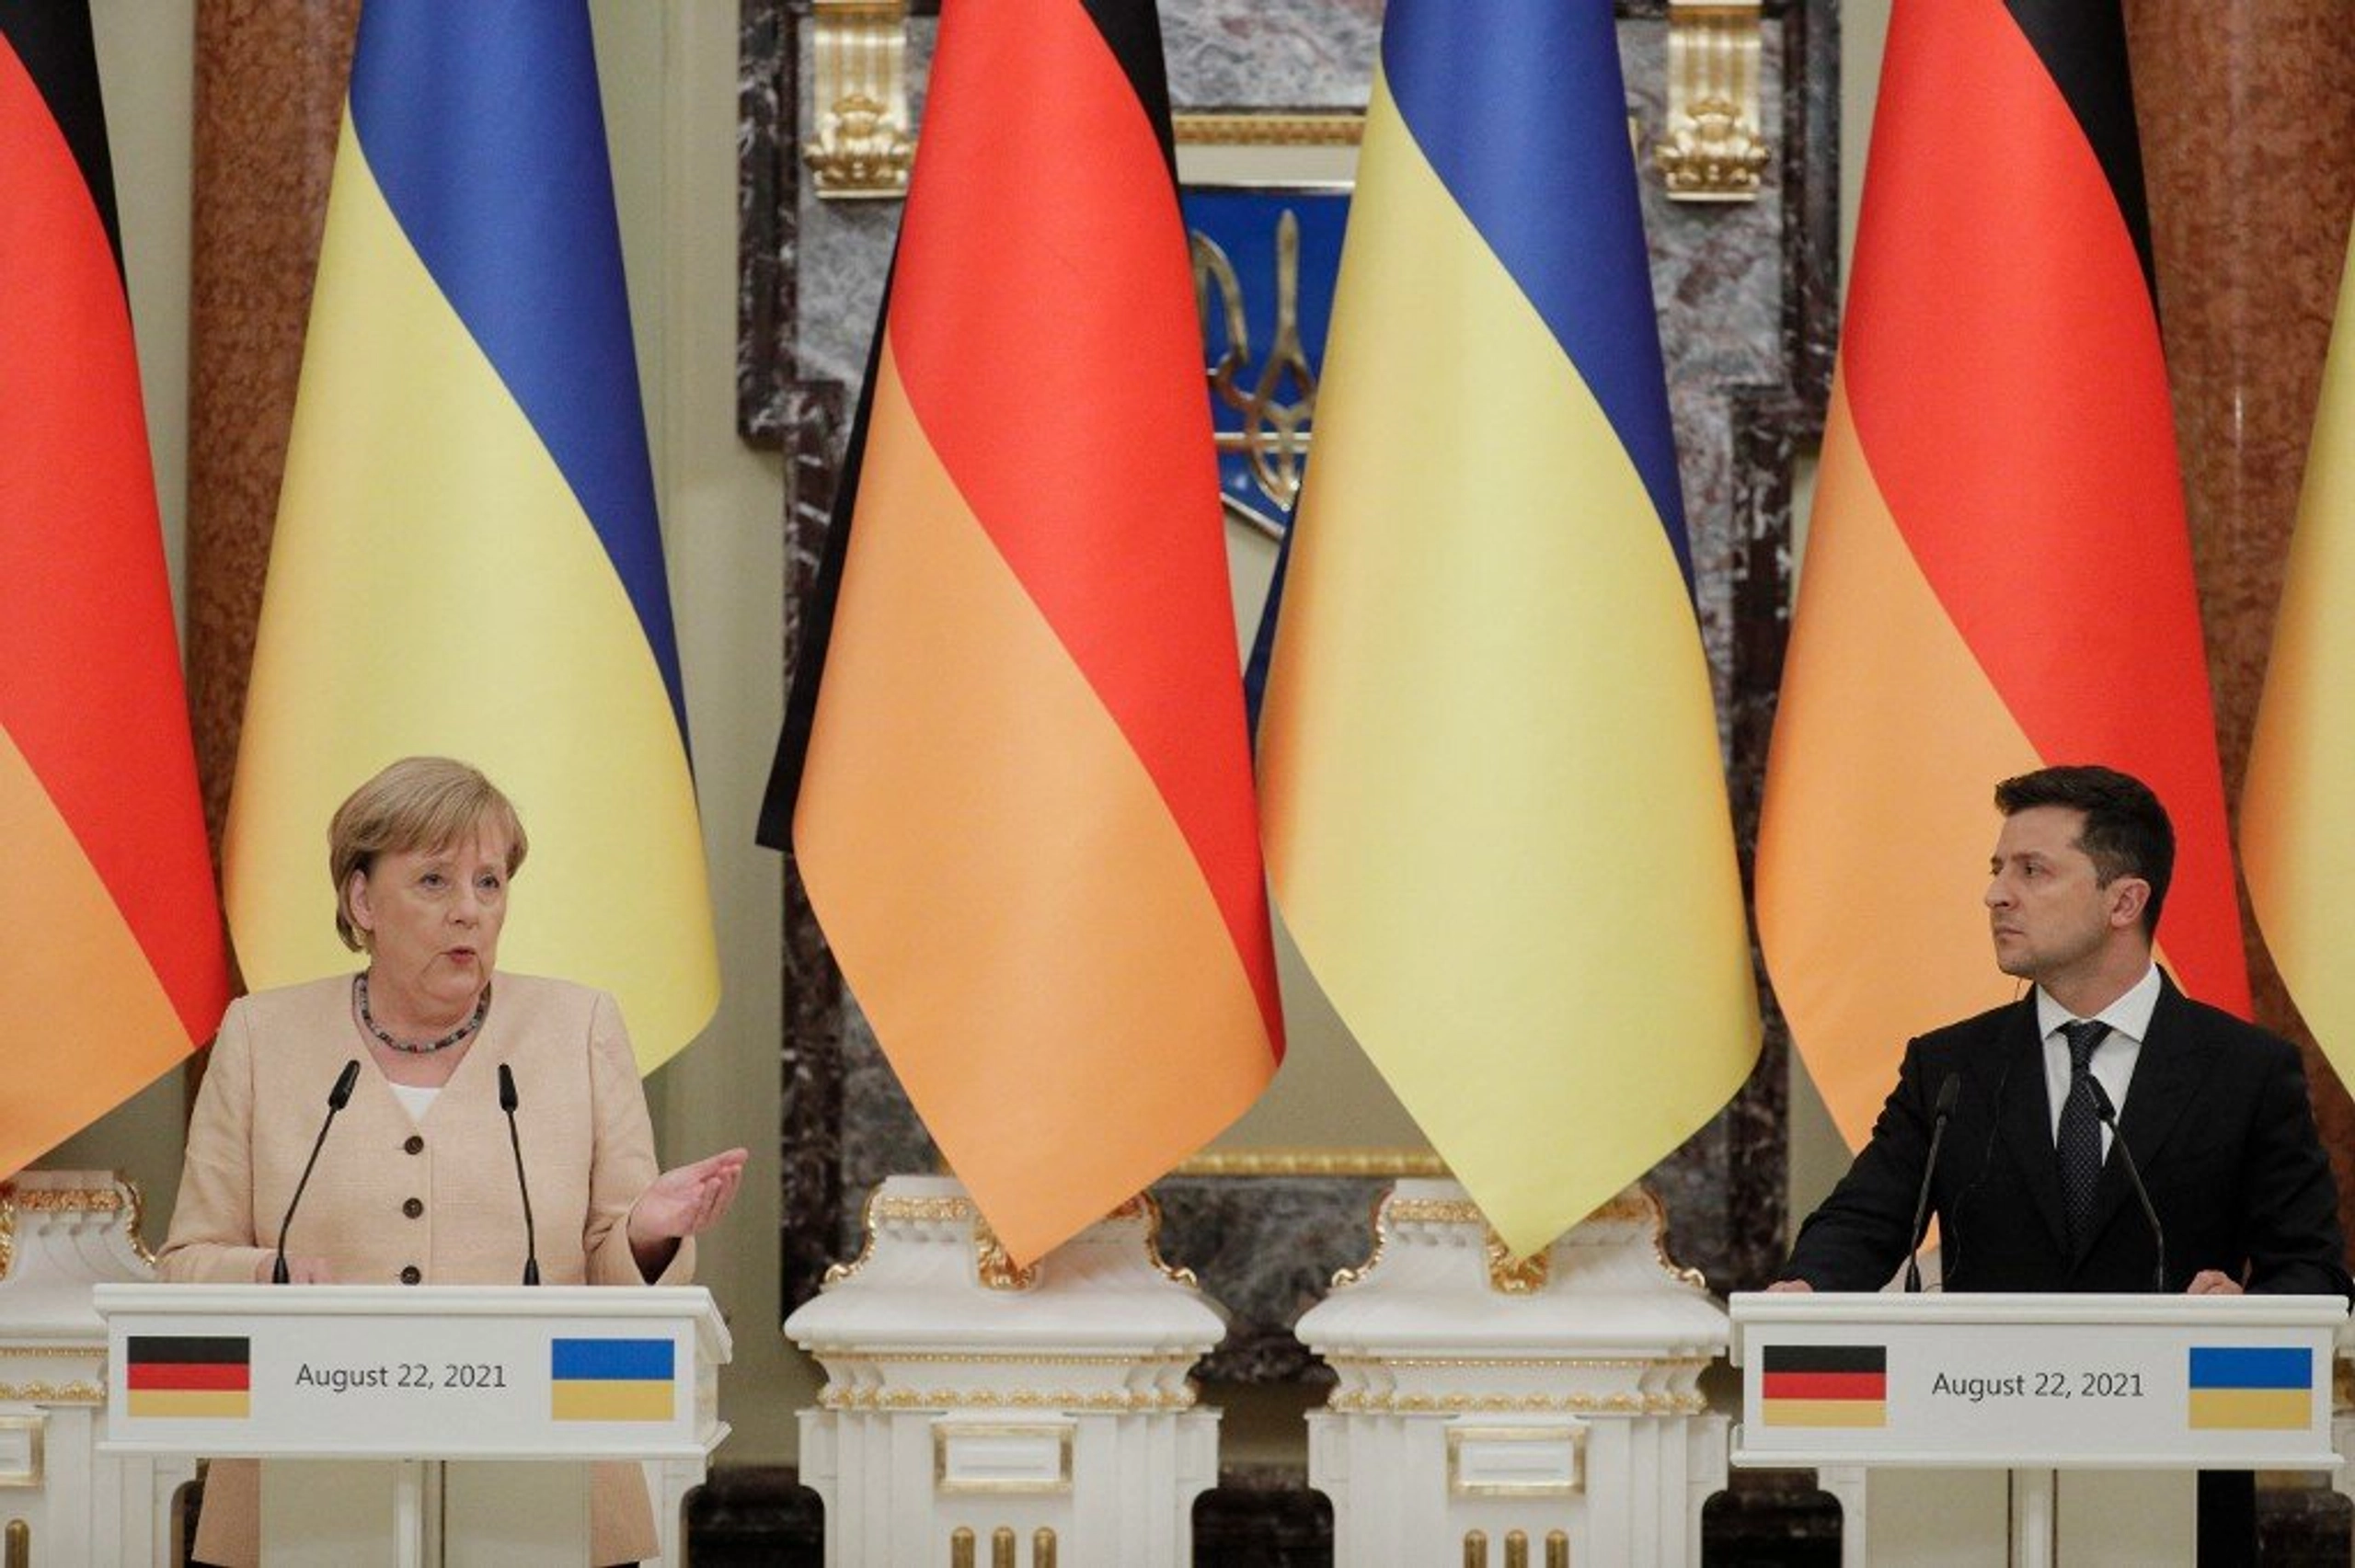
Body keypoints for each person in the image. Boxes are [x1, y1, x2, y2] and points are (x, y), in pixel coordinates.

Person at [159, 757, 747, 1568]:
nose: (469, 910)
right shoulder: (262, 1038)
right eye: (434, 881)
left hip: (550, 1497)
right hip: (303, 1494)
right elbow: (187, 1262)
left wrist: (646, 1232)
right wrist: (265, 1274)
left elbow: (615, 1283)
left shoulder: (579, 1028)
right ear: (362, 899)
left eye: (489, 881)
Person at [1775, 763, 2350, 1564]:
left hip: (2176, 1487)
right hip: (1971, 1483)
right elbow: (1867, 1218)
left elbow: (2313, 1270)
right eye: (1996, 869)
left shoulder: (2245, 1070)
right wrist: (1805, 1289)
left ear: (2124, 900)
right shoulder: (1951, 1066)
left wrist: (2247, 1310)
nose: (1996, 894)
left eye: (2031, 870)